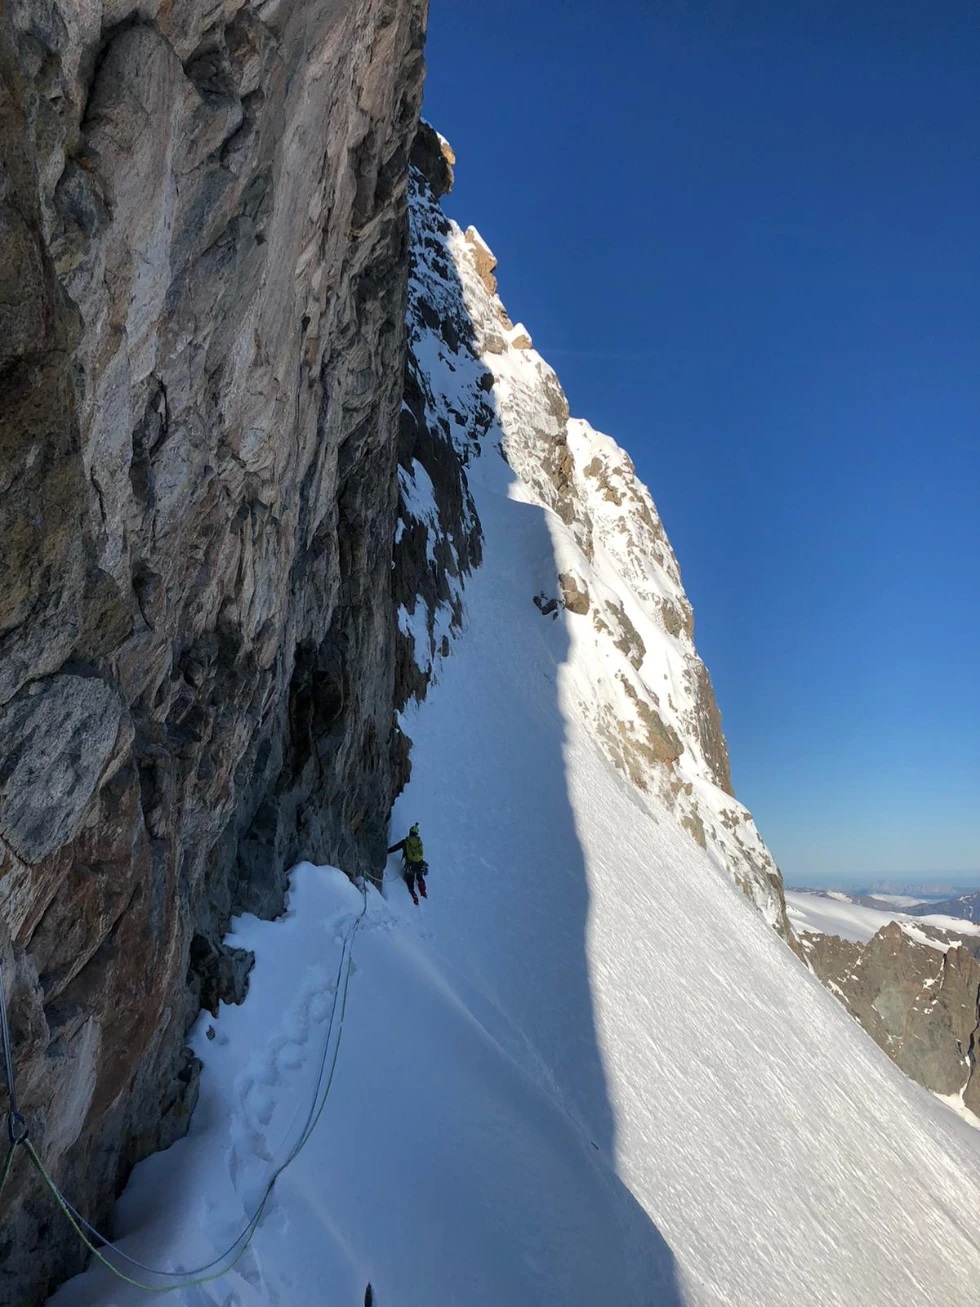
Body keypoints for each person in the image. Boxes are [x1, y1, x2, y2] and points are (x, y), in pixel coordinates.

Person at [387, 823, 428, 905]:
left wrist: (387, 851)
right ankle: (423, 891)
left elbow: (395, 847)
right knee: (419, 877)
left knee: (410, 880)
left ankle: (414, 895)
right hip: (420, 864)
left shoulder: (405, 842)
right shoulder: (419, 842)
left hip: (410, 865)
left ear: (410, 832)